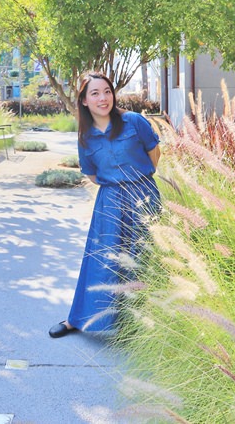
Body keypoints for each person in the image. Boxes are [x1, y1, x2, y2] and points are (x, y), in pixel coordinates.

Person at [49, 71, 161, 339]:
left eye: (107, 91)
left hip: (143, 196)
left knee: (144, 257)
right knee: (101, 259)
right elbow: (91, 174)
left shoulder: (133, 122)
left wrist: (136, 182)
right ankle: (78, 318)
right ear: (85, 101)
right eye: (95, 93)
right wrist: (117, 185)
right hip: (110, 201)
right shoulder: (85, 138)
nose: (103, 98)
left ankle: (141, 323)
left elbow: (154, 153)